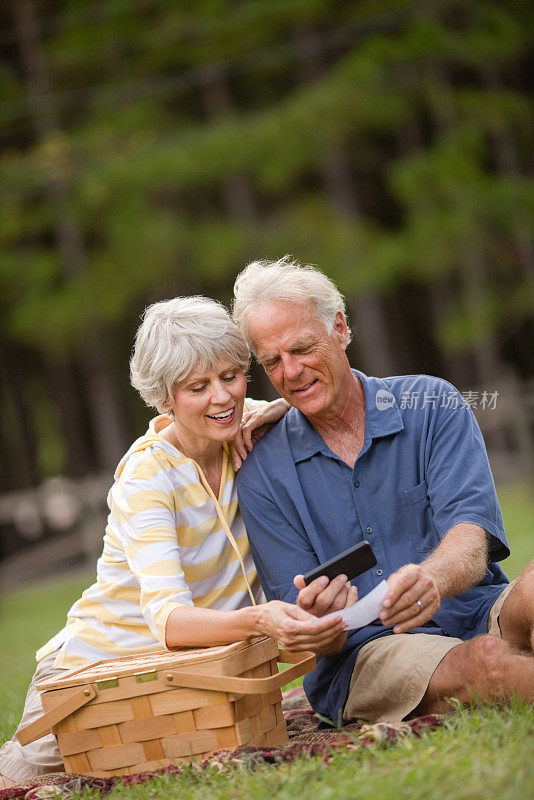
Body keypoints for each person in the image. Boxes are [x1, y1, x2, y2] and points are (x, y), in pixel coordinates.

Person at [0, 296, 349, 789]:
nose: (222, 398)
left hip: (195, 670)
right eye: (197, 387)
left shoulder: (241, 428)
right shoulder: (148, 478)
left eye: (230, 376)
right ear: (165, 398)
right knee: (15, 779)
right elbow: (167, 619)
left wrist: (269, 413)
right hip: (99, 672)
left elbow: (288, 403)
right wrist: (260, 620)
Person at [232, 256, 534, 728]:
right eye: (273, 361)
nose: (290, 372)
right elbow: (305, 633)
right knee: (487, 663)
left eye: (303, 348)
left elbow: (472, 538)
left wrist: (431, 579)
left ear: (340, 329)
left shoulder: (432, 405)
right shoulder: (261, 475)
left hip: (473, 606)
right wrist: (321, 623)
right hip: (366, 655)